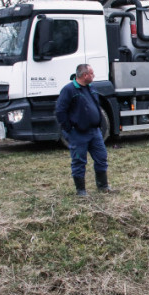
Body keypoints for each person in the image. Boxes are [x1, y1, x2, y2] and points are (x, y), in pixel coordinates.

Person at [55, 64, 114, 197]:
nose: (94, 76)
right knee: (79, 161)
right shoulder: (69, 90)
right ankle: (81, 190)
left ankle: (103, 186)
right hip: (78, 134)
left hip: (95, 132)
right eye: (92, 73)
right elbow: (60, 111)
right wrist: (69, 129)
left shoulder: (91, 88)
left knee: (101, 158)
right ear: (85, 75)